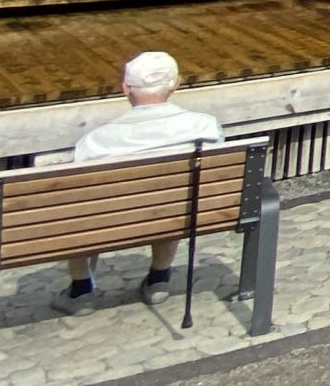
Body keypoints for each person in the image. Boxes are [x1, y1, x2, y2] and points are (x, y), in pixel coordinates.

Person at [55, 52, 225, 314]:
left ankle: (81, 289)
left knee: (70, 210)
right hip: (180, 214)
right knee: (174, 199)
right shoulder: (206, 128)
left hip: (111, 221)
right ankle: (158, 278)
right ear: (176, 83)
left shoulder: (95, 142)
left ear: (126, 89)